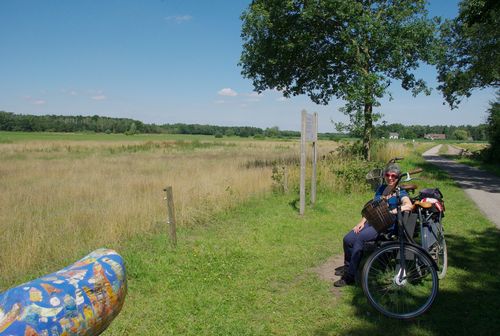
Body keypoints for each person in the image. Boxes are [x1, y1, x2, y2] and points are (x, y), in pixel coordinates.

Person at [333, 163, 413, 287]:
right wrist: (361, 222)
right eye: (388, 175)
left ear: (398, 178)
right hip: (373, 222)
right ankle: (348, 267)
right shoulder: (381, 189)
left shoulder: (400, 191)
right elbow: (372, 208)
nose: (390, 178)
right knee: (348, 239)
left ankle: (350, 276)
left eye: (394, 176)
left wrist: (393, 211)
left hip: (386, 226)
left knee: (360, 238)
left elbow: (408, 205)